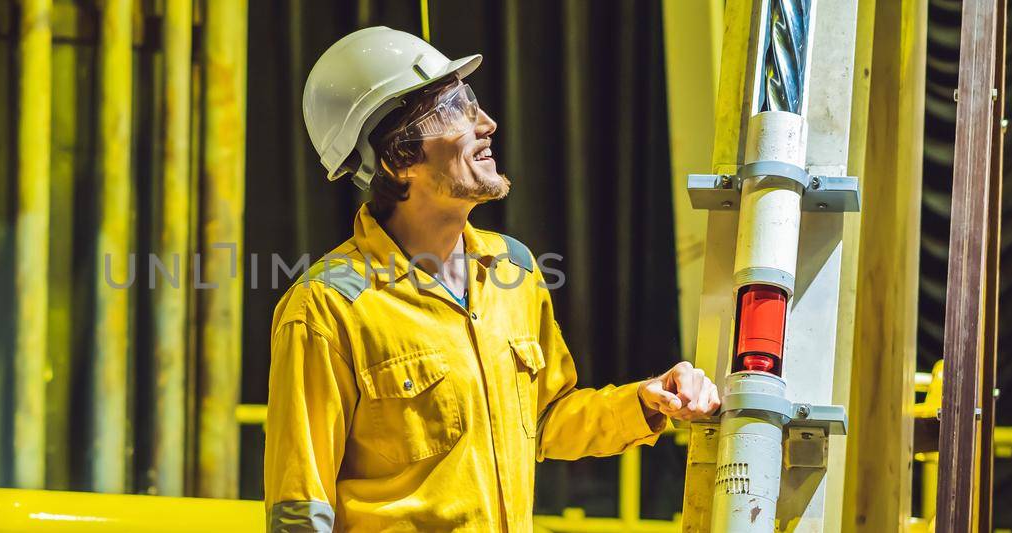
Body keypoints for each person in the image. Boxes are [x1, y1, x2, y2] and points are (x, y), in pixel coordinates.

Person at [263, 27, 721, 531]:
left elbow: (546, 420)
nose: (486, 122)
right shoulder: (328, 308)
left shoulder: (513, 269)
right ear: (398, 159)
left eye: (471, 99)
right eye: (454, 109)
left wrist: (647, 400)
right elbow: (301, 507)